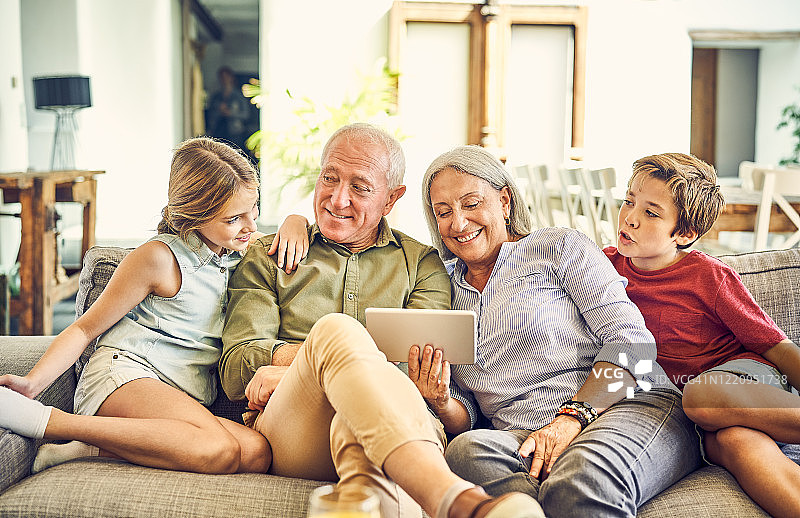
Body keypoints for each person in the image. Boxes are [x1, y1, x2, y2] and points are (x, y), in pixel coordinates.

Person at [220, 123, 543, 518]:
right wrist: (308, 365)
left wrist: (287, 363)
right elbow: (237, 370)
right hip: (296, 429)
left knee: (354, 428)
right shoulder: (269, 255)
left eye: (360, 187)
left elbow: (419, 367)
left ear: (391, 199)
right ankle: (457, 501)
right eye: (330, 178)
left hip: (402, 424)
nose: (338, 199)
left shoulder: (423, 264)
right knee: (336, 331)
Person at [411, 145, 700, 518]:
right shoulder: (439, 288)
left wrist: (571, 419)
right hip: (522, 438)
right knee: (466, 451)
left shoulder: (557, 248)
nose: (458, 223)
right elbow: (468, 410)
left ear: (504, 202)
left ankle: (561, 493)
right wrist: (440, 401)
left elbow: (633, 344)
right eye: (443, 212)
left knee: (580, 481)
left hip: (620, 408)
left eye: (470, 203)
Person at [0, 137, 288, 474]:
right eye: (233, 218)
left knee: (256, 453)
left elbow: (281, 240)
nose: (250, 226)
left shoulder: (239, 252)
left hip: (176, 399)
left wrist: (295, 221)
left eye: (253, 211)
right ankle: (54, 424)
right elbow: (83, 329)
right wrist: (32, 383)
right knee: (219, 449)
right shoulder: (159, 258)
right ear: (195, 214)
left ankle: (90, 450)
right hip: (126, 376)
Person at [604, 153, 800, 518]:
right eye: (629, 201)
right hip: (696, 419)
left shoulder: (708, 276)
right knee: (736, 444)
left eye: (651, 212)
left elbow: (773, 344)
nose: (629, 217)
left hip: (743, 381)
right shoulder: (603, 268)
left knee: (701, 394)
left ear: (685, 233)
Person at [206, 66, 251, 151]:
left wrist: (230, 113)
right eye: (222, 77)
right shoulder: (216, 96)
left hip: (235, 133)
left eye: (226, 77)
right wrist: (220, 112)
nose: (224, 80)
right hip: (218, 131)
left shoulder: (239, 96)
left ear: (231, 78)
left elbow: (246, 114)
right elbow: (210, 115)